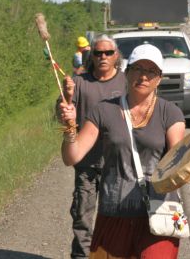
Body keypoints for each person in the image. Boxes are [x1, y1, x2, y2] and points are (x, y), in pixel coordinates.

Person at [60, 44, 185, 258]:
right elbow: (72, 156)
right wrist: (70, 127)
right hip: (114, 212)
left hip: (158, 212)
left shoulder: (171, 113)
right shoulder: (104, 110)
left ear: (159, 77)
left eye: (150, 71)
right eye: (137, 68)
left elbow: (178, 162)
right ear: (127, 72)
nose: (143, 76)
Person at [57, 34, 126, 259]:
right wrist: (65, 102)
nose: (103, 57)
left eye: (108, 52)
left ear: (117, 56)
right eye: (98, 53)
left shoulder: (126, 82)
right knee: (83, 220)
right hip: (86, 164)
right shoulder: (78, 83)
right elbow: (61, 114)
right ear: (91, 56)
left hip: (118, 166)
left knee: (116, 221)